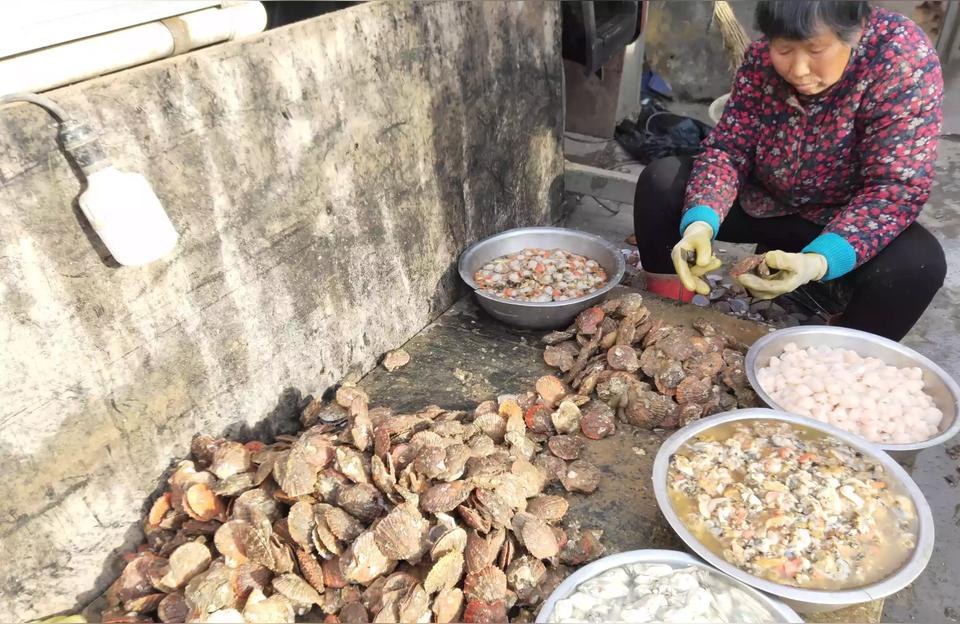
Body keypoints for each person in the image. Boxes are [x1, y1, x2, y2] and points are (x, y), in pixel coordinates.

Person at [633, 0, 945, 341]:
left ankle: (832, 360)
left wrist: (818, 261)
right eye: (783, 49)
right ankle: (666, 319)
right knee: (660, 182)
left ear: (854, 32)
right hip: (765, 202)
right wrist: (699, 226)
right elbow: (728, 149)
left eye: (816, 50)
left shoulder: (901, 60)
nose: (798, 69)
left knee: (917, 266)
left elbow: (895, 189)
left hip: (842, 220)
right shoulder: (760, 59)